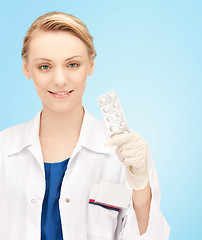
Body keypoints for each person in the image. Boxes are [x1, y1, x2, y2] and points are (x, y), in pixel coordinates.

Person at [0, 11, 170, 240]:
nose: (60, 79)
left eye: (72, 64)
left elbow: (152, 236)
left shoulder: (126, 152)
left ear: (90, 65)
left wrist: (140, 188)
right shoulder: (4, 150)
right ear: (26, 69)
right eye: (44, 67)